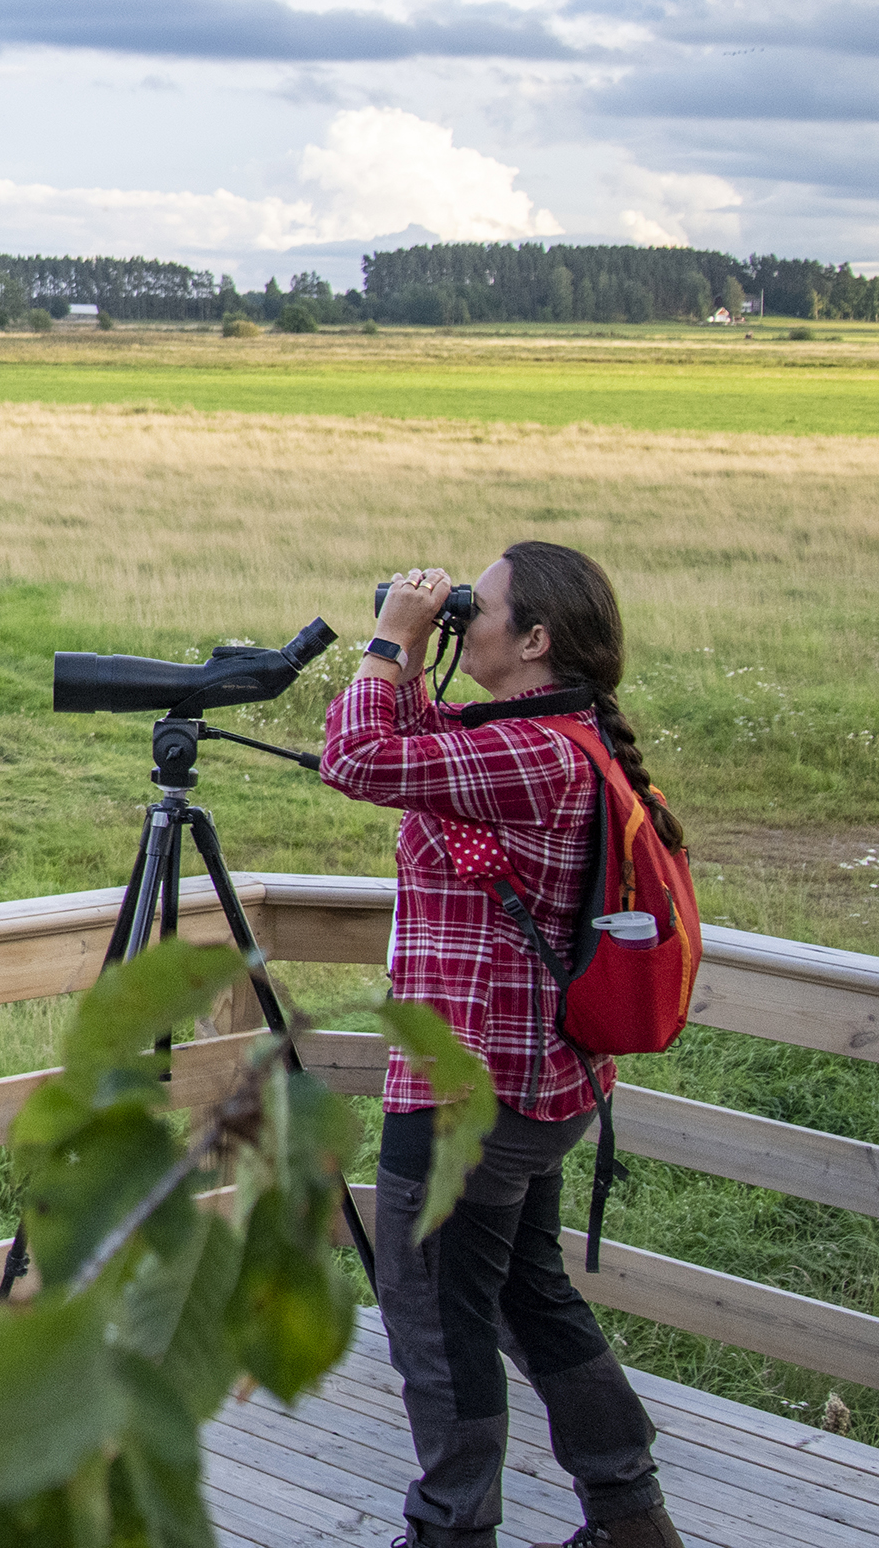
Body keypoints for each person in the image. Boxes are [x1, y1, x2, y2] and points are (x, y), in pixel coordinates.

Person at [320, 544, 686, 1548]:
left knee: (436, 1324)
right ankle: (628, 1516)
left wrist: (390, 638)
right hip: (536, 1087)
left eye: (479, 605)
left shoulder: (538, 756)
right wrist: (411, 651)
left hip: (471, 1096)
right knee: (530, 1296)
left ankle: (452, 1528)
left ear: (533, 640)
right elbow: (419, 742)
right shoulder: (551, 738)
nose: (458, 614)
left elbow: (356, 759)